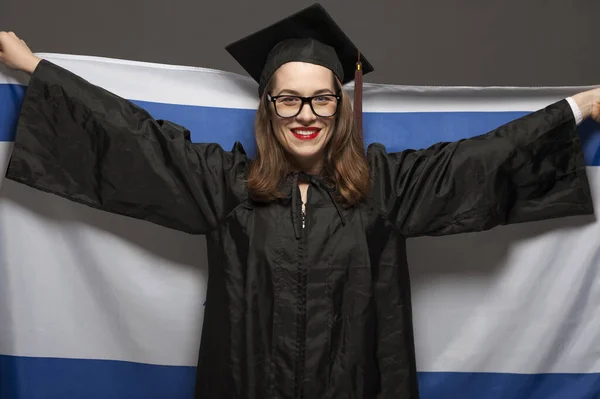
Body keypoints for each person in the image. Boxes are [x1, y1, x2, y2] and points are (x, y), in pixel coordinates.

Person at [0, 3, 598, 399]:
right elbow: (133, 137)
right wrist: (32, 68)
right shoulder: (226, 187)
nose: (305, 115)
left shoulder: (387, 189)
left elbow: (480, 160)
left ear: (342, 108)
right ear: (268, 109)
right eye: (288, 99)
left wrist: (578, 108)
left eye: (321, 100)